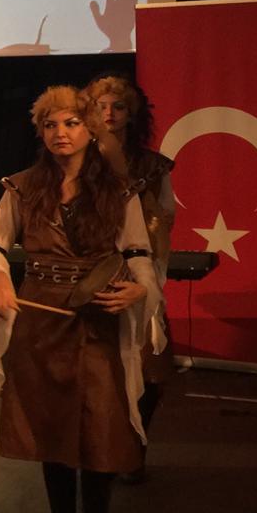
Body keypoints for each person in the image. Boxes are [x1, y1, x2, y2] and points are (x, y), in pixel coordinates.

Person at [0, 85, 159, 513]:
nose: (61, 133)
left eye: (71, 123)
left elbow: (138, 253)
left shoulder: (118, 189)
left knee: (100, 430)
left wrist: (139, 290)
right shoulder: (22, 188)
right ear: (41, 132)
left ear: (90, 129)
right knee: (53, 433)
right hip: (42, 323)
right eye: (51, 125)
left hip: (97, 318)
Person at [86, 74, 175, 485]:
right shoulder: (78, 160)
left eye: (117, 107)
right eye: (101, 106)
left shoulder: (151, 165)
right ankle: (101, 447)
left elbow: (164, 215)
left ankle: (134, 447)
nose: (109, 114)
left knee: (149, 366)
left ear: (131, 113)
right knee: (98, 365)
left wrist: (149, 266)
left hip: (139, 268)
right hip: (92, 268)